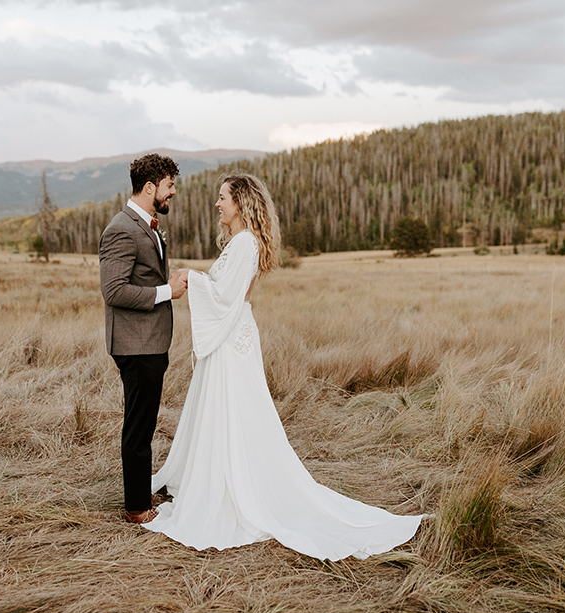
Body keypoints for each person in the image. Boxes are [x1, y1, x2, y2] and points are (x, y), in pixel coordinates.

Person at [143, 174, 426, 560]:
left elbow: (226, 297)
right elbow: (228, 293)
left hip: (232, 340)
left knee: (236, 410)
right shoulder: (242, 242)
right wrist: (201, 280)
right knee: (230, 411)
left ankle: (233, 486)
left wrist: (192, 277)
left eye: (222, 197)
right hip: (232, 337)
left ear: (241, 203)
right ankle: (217, 475)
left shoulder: (245, 243)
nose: (217, 204)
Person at [99, 153, 188, 524]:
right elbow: (114, 291)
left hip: (150, 342)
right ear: (150, 187)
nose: (171, 194)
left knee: (145, 422)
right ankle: (136, 507)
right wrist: (167, 292)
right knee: (138, 426)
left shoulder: (146, 225)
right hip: (136, 346)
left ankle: (139, 490)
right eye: (168, 187)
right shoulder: (122, 228)